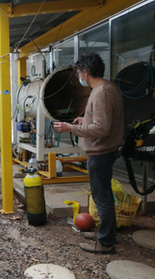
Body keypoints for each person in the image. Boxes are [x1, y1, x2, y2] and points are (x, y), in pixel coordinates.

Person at [54, 53, 124, 254]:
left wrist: (71, 129)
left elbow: (102, 129)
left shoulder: (101, 93)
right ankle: (105, 233)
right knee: (102, 195)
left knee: (102, 197)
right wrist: (84, 120)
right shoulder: (106, 88)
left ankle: (105, 242)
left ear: (85, 72)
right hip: (104, 149)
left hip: (101, 152)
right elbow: (102, 122)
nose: (78, 77)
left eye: (78, 73)